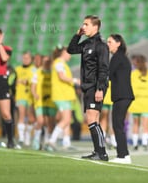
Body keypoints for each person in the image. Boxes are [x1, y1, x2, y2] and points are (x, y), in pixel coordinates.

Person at [67, 15, 109, 161]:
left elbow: (104, 69)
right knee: (93, 120)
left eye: (86, 24)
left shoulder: (101, 45)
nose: (83, 27)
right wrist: (77, 35)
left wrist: (100, 89)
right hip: (87, 86)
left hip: (95, 86)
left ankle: (102, 152)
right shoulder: (86, 44)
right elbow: (71, 49)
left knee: (91, 118)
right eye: (83, 24)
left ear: (95, 27)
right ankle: (98, 151)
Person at [107, 34, 134, 164]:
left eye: (110, 42)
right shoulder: (120, 57)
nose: (108, 44)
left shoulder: (117, 57)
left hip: (122, 95)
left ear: (118, 43)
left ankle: (122, 156)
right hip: (123, 95)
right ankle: (124, 155)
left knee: (117, 125)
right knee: (118, 125)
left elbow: (108, 74)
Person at [47, 46, 79, 150]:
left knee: (67, 119)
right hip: (61, 96)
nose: (70, 55)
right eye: (69, 52)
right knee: (66, 119)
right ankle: (52, 140)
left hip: (65, 95)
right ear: (64, 53)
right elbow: (61, 76)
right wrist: (75, 80)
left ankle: (66, 142)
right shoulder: (59, 63)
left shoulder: (62, 63)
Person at [0, 27, 16, 148]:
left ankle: (10, 141)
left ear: (0, 36)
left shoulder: (6, 49)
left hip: (1, 81)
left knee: (6, 114)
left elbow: (4, 58)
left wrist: (0, 44)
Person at [30, 55, 56, 150]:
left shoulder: (54, 73)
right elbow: (33, 86)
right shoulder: (38, 72)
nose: (47, 63)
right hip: (40, 101)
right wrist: (35, 94)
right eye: (45, 61)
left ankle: (47, 142)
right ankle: (36, 140)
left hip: (51, 101)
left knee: (50, 123)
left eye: (48, 61)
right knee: (40, 121)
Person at [15, 51, 36, 147]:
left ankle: (27, 135)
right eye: (24, 58)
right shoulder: (17, 69)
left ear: (31, 59)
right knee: (21, 115)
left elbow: (33, 82)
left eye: (27, 58)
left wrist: (25, 81)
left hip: (30, 96)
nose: (25, 60)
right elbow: (13, 81)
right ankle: (21, 138)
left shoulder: (33, 69)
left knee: (31, 118)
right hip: (20, 95)